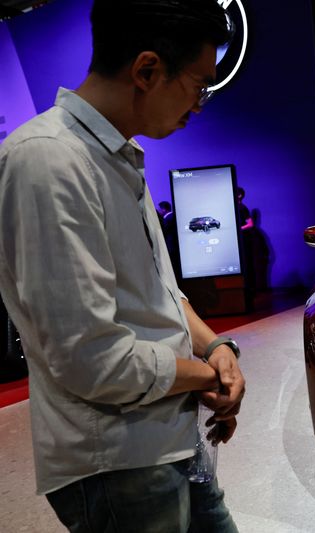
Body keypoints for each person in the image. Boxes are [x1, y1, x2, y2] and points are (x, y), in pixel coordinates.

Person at [0, 1, 244, 531]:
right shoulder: (47, 160)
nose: (199, 105)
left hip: (165, 437)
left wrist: (217, 348)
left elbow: (160, 289)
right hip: (117, 461)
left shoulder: (118, 155)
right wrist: (205, 376)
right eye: (199, 85)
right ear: (148, 70)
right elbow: (91, 358)